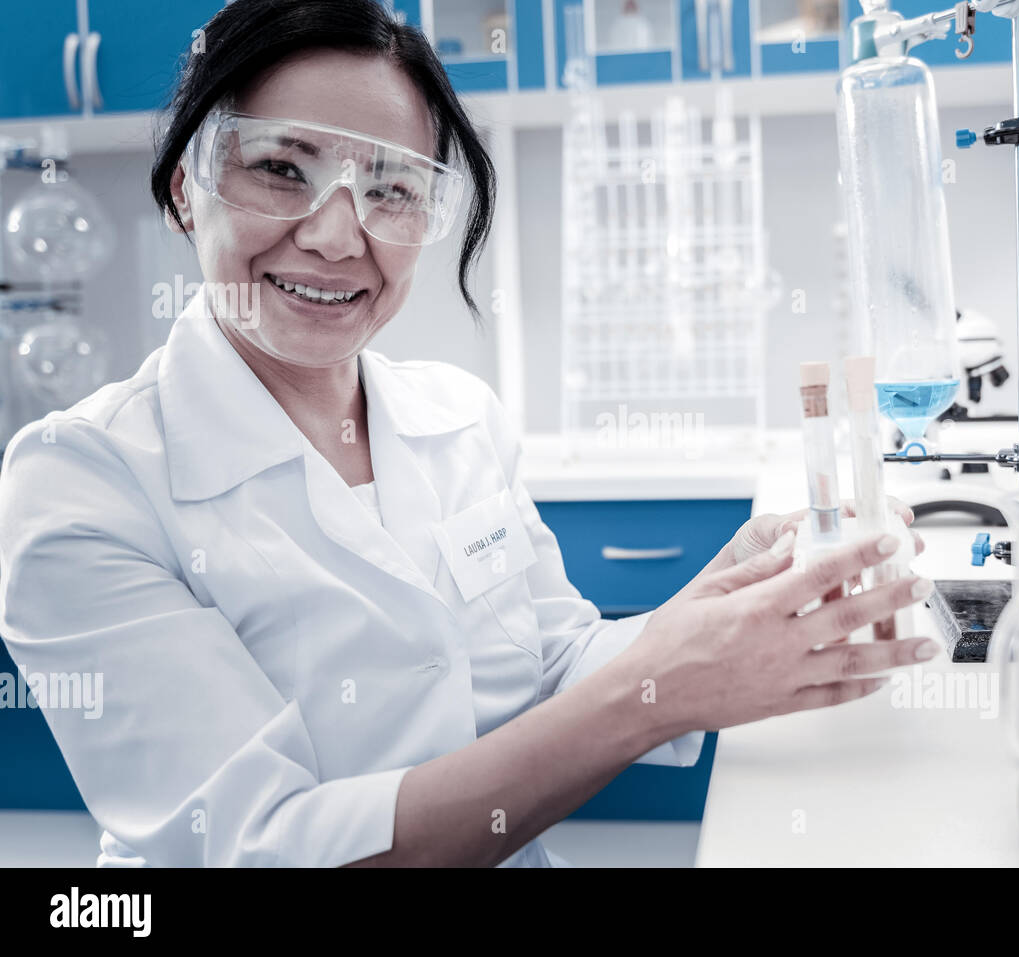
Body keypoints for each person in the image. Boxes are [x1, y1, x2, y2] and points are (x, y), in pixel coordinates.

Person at [0, 0, 938, 868]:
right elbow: (269, 847)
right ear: (182, 191)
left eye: (393, 188)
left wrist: (727, 595)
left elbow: (553, 666)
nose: (336, 235)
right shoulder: (85, 481)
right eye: (280, 169)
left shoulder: (456, 414)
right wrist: (669, 684)